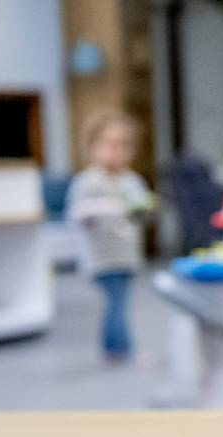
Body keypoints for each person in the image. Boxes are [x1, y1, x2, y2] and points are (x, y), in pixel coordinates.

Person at [66, 110, 152, 361]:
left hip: (127, 256)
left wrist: (142, 208)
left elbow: (141, 214)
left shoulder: (132, 181)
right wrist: (103, 207)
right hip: (102, 259)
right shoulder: (89, 181)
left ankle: (112, 348)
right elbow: (76, 214)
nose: (115, 151)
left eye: (122, 145)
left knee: (118, 303)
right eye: (108, 144)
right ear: (92, 146)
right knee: (117, 303)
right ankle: (124, 349)